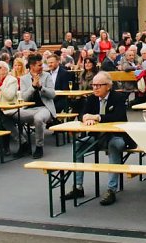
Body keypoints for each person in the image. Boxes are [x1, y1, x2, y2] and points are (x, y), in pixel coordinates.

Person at [63, 71, 131, 206]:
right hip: (97, 137)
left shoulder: (118, 98)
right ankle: (78, 187)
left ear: (108, 86)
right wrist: (85, 118)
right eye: (93, 85)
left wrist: (97, 117)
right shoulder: (92, 98)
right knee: (78, 145)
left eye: (99, 85)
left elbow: (119, 117)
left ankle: (111, 189)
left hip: (116, 136)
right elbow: (84, 112)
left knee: (114, 145)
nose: (95, 88)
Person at [18, 53, 56, 159]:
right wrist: (33, 87)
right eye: (39, 65)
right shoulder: (24, 79)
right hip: (28, 109)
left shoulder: (47, 76)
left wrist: (40, 87)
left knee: (38, 119)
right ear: (32, 66)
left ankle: (39, 146)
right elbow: (24, 98)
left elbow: (52, 94)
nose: (42, 67)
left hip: (44, 108)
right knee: (5, 115)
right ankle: (23, 142)